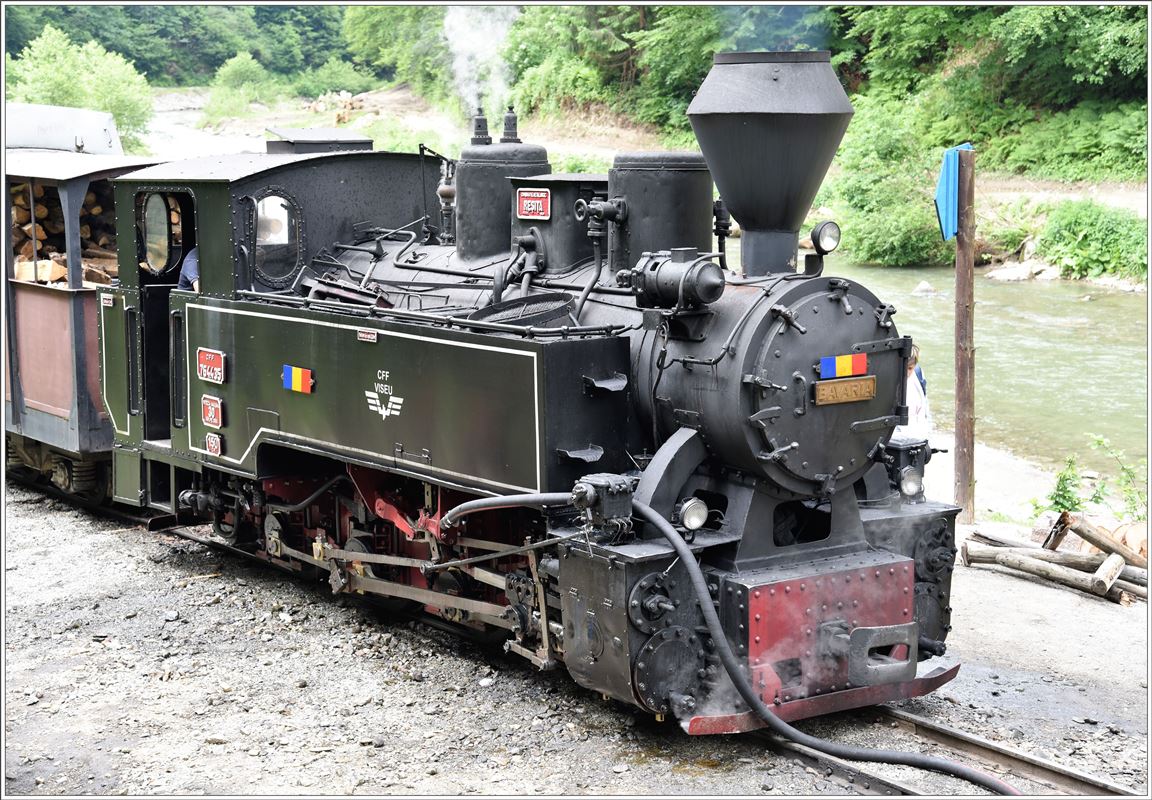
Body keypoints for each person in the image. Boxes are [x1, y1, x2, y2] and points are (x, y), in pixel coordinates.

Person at [895, 344, 932, 439]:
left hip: (918, 435)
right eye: (904, 367)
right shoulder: (892, 382)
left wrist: (928, 433)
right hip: (898, 438)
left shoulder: (919, 375)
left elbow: (925, 408)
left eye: (910, 368)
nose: (906, 373)